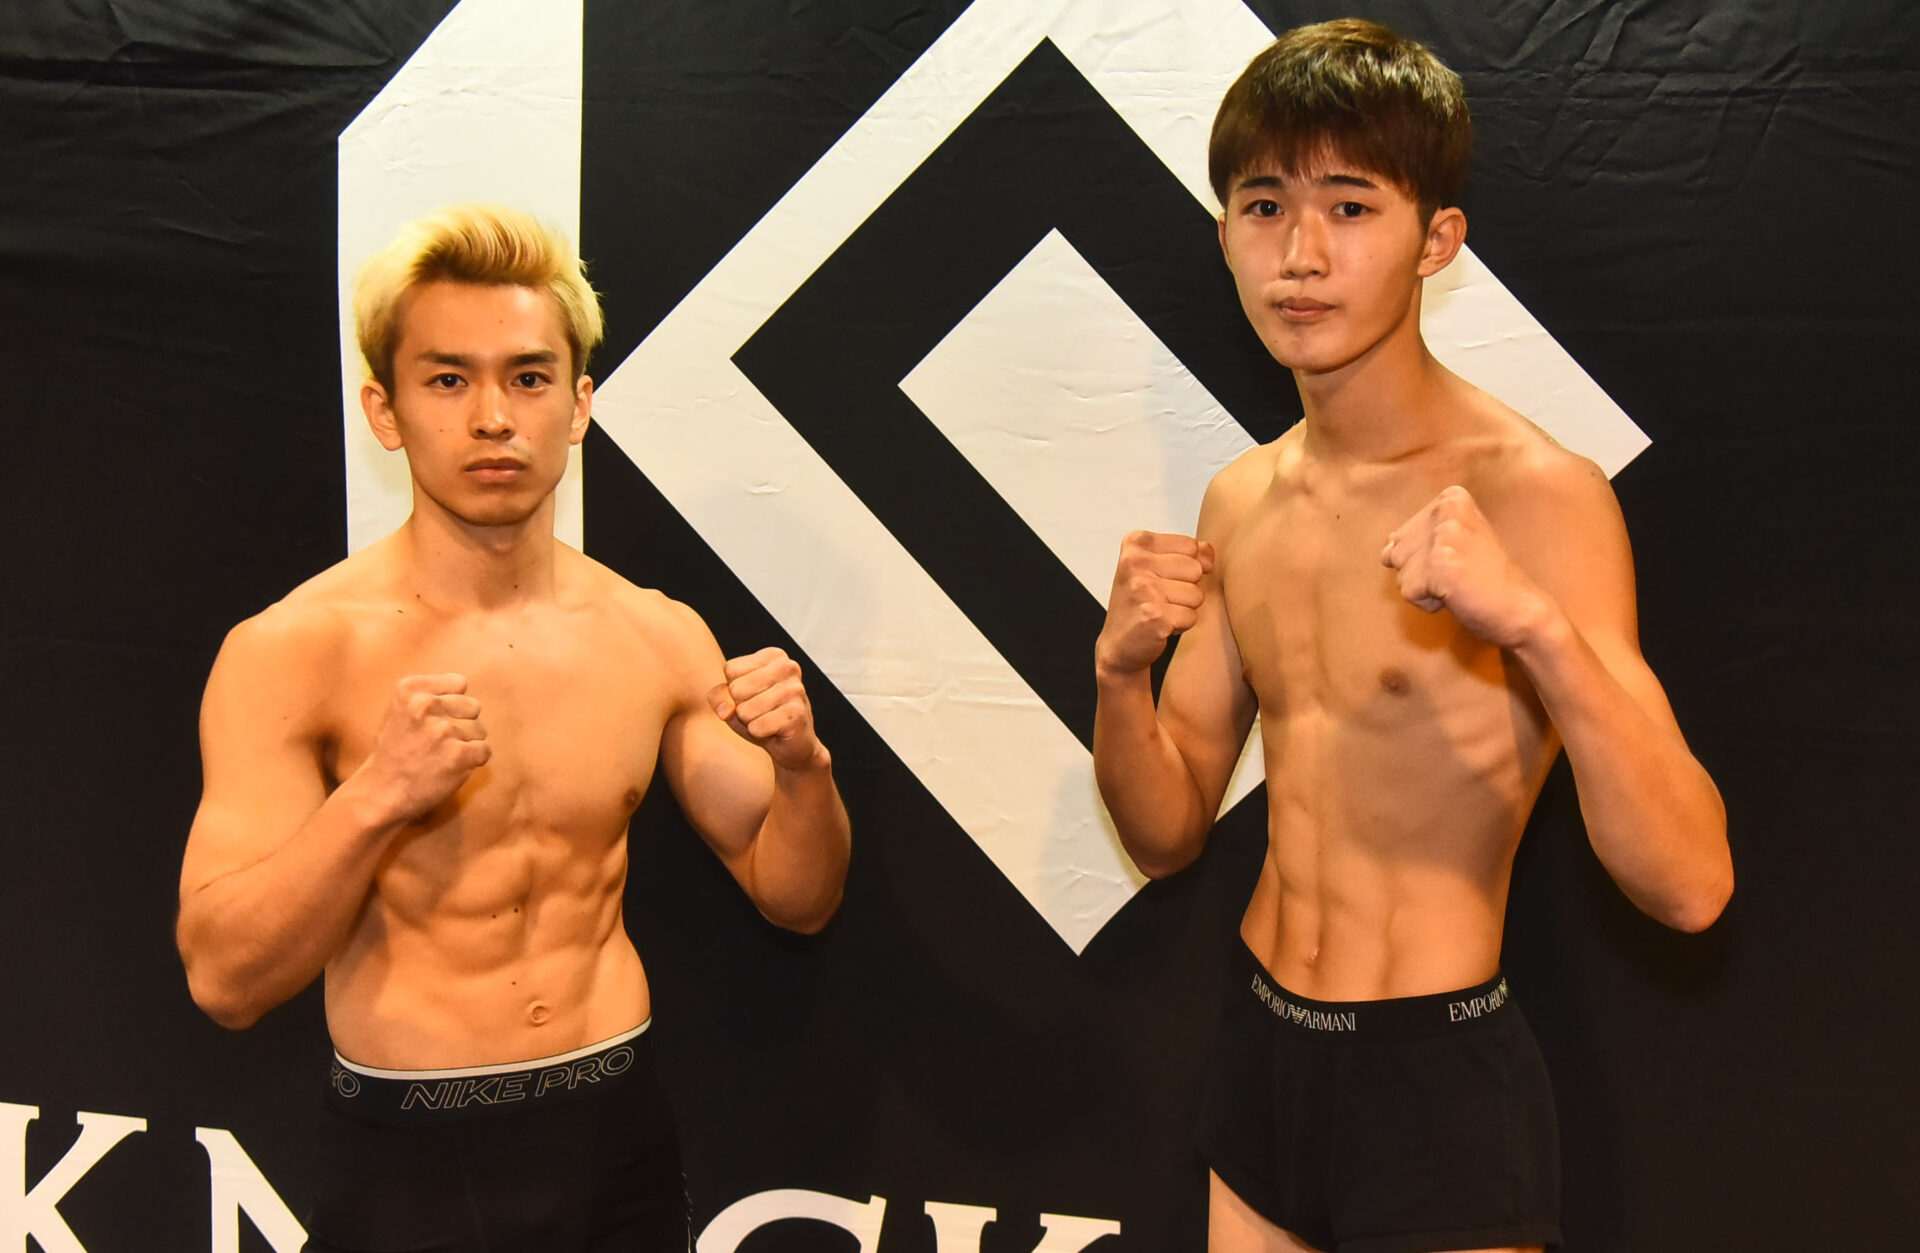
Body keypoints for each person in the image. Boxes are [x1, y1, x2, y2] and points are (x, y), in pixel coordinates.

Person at [1091, 21, 1731, 1253]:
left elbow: (1693, 885)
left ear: (1437, 239)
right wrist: (1120, 675)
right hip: (1261, 1047)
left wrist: (1535, 626)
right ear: (1223, 234)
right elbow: (1166, 835)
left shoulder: (1537, 495)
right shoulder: (1242, 499)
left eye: (1351, 206)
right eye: (1265, 207)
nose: (1302, 254)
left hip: (1431, 1074)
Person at [176, 205, 851, 1252]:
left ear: (578, 405)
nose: (493, 417)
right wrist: (377, 797)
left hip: (619, 1138)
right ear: (386, 409)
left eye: (529, 378)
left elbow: (798, 896)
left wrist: (805, 770)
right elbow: (224, 977)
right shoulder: (293, 651)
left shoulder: (654, 632)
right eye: (449, 379)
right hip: (412, 1158)